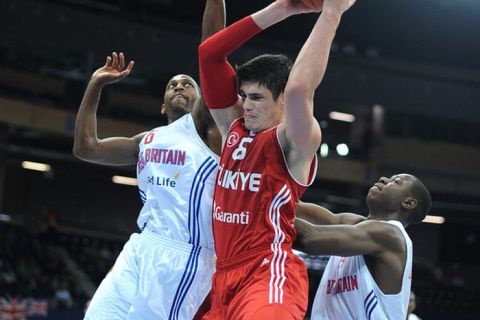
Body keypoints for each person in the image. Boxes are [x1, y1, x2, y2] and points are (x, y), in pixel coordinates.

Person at [198, 0, 357, 318]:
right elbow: (209, 54)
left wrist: (331, 12)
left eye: (257, 98)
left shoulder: (294, 141)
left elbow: (300, 89)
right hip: (221, 278)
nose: (245, 105)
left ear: (281, 100)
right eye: (243, 96)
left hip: (266, 276)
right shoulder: (235, 127)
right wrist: (283, 8)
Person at [72, 1, 225, 319]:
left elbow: (212, 52)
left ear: (202, 99)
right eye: (172, 85)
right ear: (162, 105)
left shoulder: (208, 133)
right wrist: (95, 84)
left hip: (184, 255)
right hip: (141, 245)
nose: (180, 86)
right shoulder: (147, 140)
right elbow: (86, 147)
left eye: (188, 84)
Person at [294, 174, 432, 320]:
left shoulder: (390, 235)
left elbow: (309, 239)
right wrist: (273, 191)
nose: (384, 178)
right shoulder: (356, 224)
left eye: (396, 182)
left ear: (408, 203)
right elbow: (298, 209)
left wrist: (271, 213)